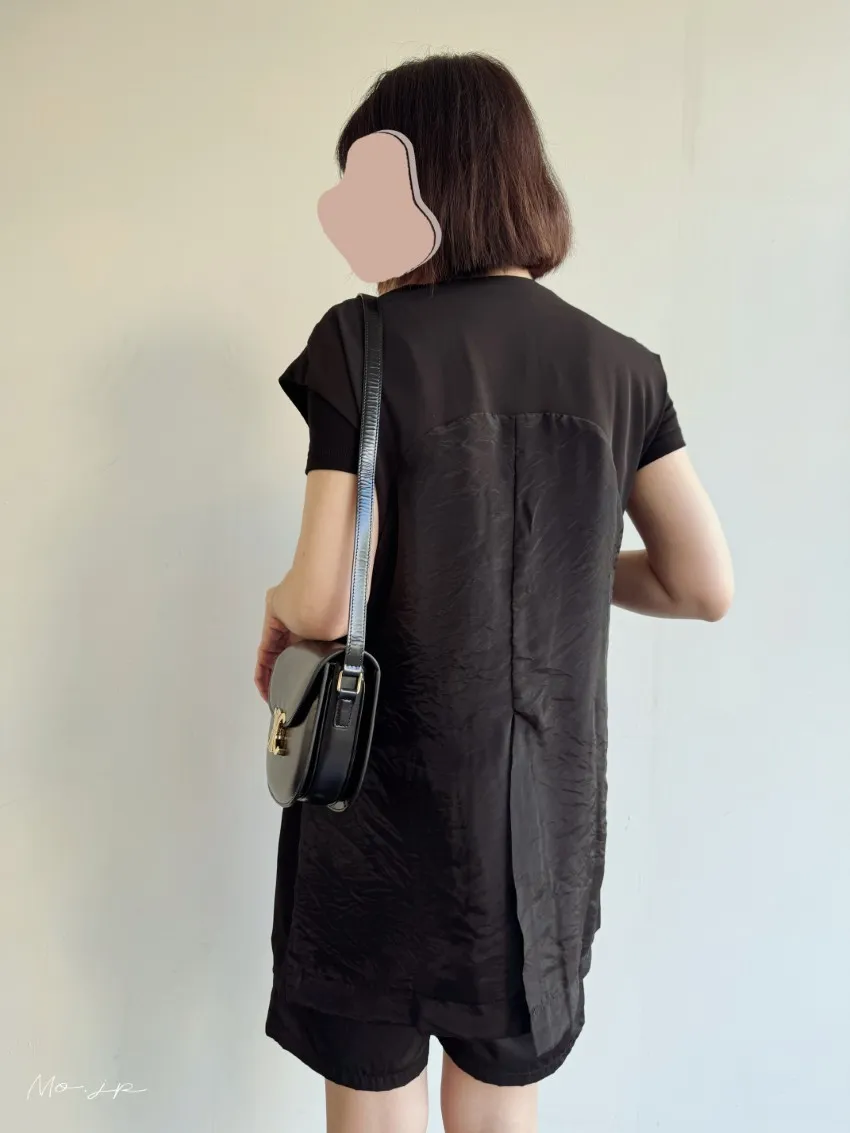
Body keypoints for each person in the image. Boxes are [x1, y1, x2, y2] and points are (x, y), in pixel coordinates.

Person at [254, 51, 733, 1133]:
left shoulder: (360, 343)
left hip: (380, 807)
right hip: (537, 824)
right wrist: (557, 562)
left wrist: (277, 600)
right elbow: (701, 584)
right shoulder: (623, 367)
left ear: (421, 191)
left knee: (374, 1094)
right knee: (501, 1102)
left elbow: (322, 604)